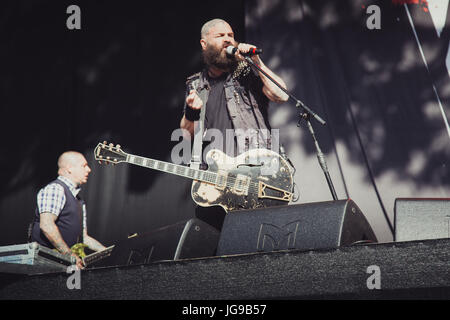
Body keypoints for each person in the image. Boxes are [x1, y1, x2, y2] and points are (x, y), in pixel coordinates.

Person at [179, 19, 289, 229]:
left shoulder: (246, 73)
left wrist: (255, 61)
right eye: (220, 36)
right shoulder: (195, 84)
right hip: (217, 183)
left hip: (257, 176)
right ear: (204, 44)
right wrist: (191, 111)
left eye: (230, 35)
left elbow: (282, 95)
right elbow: (185, 133)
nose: (228, 39)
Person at [31, 151, 106, 269]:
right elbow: (46, 225)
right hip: (46, 265)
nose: (89, 169)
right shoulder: (55, 189)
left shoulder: (79, 200)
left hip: (67, 267)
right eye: (84, 165)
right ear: (70, 168)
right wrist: (69, 255)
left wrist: (106, 251)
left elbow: (84, 237)